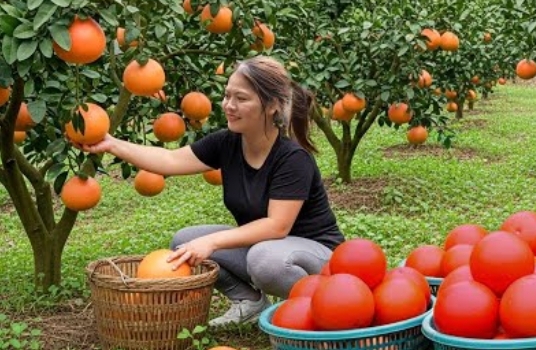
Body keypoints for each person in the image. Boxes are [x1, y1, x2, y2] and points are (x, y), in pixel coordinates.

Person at [84, 56, 345, 326]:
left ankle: (322, 307)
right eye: (227, 95)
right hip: (266, 248)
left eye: (241, 99)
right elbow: (170, 161)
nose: (229, 106)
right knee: (185, 242)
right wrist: (111, 143)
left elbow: (277, 226)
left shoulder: (292, 158)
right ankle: (249, 302)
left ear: (272, 106)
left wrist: (212, 242)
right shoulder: (227, 143)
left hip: (317, 255)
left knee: (263, 259)